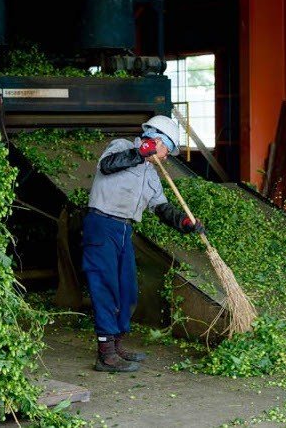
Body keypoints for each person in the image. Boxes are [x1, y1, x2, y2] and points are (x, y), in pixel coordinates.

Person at [82, 115, 204, 372]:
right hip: (101, 225)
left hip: (125, 229)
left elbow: (161, 207)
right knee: (105, 287)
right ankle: (105, 354)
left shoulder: (151, 174)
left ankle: (117, 344)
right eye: (167, 150)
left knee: (127, 289)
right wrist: (143, 151)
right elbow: (107, 166)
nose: (167, 157)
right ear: (157, 141)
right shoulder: (121, 147)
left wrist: (184, 223)